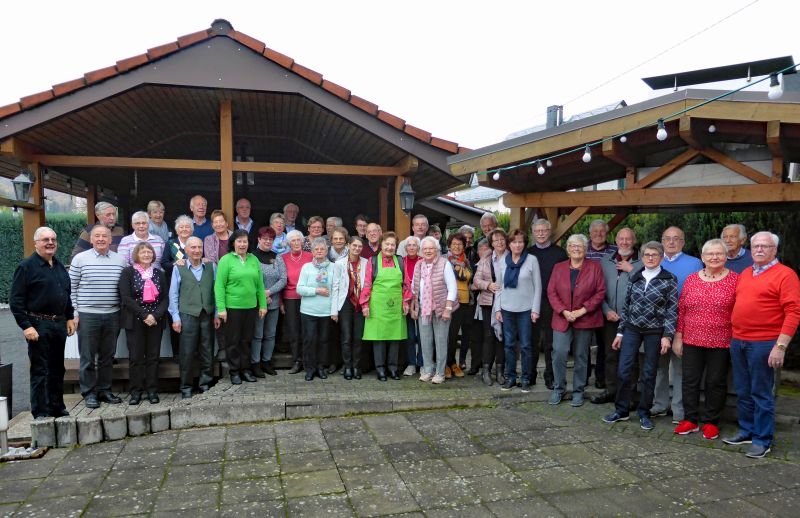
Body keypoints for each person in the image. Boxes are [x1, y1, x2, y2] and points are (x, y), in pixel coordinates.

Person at [723, 231, 800, 458]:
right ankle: (747, 430)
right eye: (756, 245)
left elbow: (794, 312)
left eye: (765, 246)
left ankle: (763, 439)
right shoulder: (746, 273)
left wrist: (781, 346)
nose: (759, 250)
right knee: (743, 390)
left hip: (764, 343)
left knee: (761, 393)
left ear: (774, 250)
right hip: (739, 341)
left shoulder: (786, 275)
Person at [603, 241, 678, 431]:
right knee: (624, 369)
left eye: (654, 255)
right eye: (647, 255)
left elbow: (672, 310)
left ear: (661, 257)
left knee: (649, 372)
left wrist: (667, 335)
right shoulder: (635, 277)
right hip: (632, 329)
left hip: (655, 331)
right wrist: (620, 332)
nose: (650, 258)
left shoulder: (669, 279)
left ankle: (645, 412)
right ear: (642, 257)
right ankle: (621, 410)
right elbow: (626, 307)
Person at [672, 239, 738, 440]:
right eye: (710, 254)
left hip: (722, 340)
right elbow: (682, 309)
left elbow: (740, 310)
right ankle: (690, 420)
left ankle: (711, 422)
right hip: (692, 339)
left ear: (726, 257)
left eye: (719, 253)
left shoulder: (736, 279)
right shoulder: (692, 279)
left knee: (715, 382)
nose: (714, 257)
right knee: (690, 380)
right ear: (702, 257)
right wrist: (678, 336)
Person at [10, 227, 76, 418]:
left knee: (57, 368)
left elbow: (66, 294)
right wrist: (26, 326)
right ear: (36, 243)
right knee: (40, 370)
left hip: (58, 324)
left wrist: (70, 316)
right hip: (37, 325)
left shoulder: (59, 266)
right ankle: (40, 411)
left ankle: (57, 407)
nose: (50, 242)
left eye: (53, 239)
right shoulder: (26, 267)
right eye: (45, 239)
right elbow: (16, 301)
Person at [69, 225, 127, 409]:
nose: (101, 239)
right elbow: (70, 288)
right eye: (97, 236)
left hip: (112, 314)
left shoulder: (121, 260)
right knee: (87, 358)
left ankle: (105, 390)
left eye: (105, 236)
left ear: (111, 240)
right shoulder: (80, 259)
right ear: (91, 239)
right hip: (88, 315)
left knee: (107, 357)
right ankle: (89, 393)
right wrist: (74, 313)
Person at [547, 234, 606, 406]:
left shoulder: (595, 268)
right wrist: (563, 311)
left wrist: (582, 310)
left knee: (581, 355)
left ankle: (578, 390)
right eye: (572, 245)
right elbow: (551, 292)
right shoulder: (558, 268)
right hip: (561, 317)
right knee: (558, 353)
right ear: (567, 249)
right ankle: (559, 388)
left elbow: (600, 292)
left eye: (579, 245)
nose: (576, 248)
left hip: (585, 318)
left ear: (585, 249)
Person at [654, 226, 702, 423]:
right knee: (659, 366)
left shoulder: (695, 263)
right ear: (662, 241)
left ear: (683, 242)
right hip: (656, 323)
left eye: (676, 239)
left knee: (681, 368)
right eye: (667, 238)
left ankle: (679, 410)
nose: (671, 242)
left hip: (684, 323)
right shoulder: (654, 261)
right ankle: (659, 405)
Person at [592, 227, 642, 405]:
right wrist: (606, 310)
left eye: (628, 239)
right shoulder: (606, 261)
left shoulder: (642, 262)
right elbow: (598, 290)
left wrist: (631, 270)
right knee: (610, 355)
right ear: (616, 240)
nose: (624, 242)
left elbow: (647, 286)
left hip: (632, 319)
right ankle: (612, 390)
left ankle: (629, 394)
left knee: (631, 357)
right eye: (621, 239)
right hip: (610, 317)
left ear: (634, 241)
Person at [215, 229, 267, 385]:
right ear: (233, 243)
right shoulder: (226, 260)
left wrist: (262, 305)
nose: (242, 244)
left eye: (245, 241)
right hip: (232, 308)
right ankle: (234, 372)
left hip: (251, 307)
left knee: (246, 341)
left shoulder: (253, 259)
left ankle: (246, 370)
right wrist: (221, 308)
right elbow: (219, 286)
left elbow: (260, 285)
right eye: (239, 241)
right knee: (233, 341)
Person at [168, 236, 219, 399]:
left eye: (199, 247)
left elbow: (216, 291)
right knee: (187, 352)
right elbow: (173, 294)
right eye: (193, 248)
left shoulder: (212, 266)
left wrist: (217, 313)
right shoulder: (179, 267)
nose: (197, 250)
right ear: (186, 250)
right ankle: (186, 387)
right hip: (187, 315)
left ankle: (206, 385)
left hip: (208, 314)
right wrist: (175, 317)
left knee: (207, 350)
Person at [119, 242, 168, 405]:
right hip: (135, 320)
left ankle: (152, 391)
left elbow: (165, 298)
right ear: (136, 255)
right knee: (136, 357)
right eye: (143, 252)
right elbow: (126, 298)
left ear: (153, 255)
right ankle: (136, 391)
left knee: (153, 357)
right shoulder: (128, 272)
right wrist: (144, 314)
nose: (146, 255)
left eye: (149, 252)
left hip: (155, 321)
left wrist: (155, 316)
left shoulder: (159, 273)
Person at [360, 231, 411, 381]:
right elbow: (367, 283)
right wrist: (365, 304)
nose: (389, 247)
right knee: (379, 338)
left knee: (395, 338)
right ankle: (380, 369)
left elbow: (406, 284)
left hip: (396, 305)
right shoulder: (373, 261)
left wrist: (406, 302)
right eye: (387, 244)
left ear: (396, 247)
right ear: (381, 244)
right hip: (377, 305)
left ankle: (393, 368)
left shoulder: (400, 261)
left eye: (392, 245)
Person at [496, 229, 541, 392]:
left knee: (526, 346)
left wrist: (535, 309)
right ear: (509, 244)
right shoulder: (503, 261)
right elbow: (498, 287)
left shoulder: (532, 260)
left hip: (526, 310)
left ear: (524, 243)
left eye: (520, 242)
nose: (517, 245)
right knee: (508, 345)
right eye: (514, 242)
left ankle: (526, 378)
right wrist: (497, 309)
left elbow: (538, 287)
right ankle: (511, 378)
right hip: (507, 309)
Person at [411, 236, 458, 384]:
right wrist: (413, 307)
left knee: (441, 341)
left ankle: (440, 372)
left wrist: (448, 309)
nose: (428, 251)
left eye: (431, 248)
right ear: (421, 251)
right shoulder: (419, 265)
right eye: (425, 249)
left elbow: (452, 288)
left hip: (441, 309)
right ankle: (427, 370)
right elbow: (414, 288)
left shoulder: (444, 264)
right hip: (424, 309)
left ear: (437, 250)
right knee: (425, 341)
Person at [527, 218, 567, 389]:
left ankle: (550, 375)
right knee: (532, 340)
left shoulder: (560, 253)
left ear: (549, 231)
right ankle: (530, 374)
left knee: (551, 342)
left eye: (544, 230)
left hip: (553, 303)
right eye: (537, 231)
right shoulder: (527, 253)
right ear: (533, 233)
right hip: (532, 302)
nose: (541, 233)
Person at [296, 237, 337, 381]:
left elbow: (336, 290)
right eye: (316, 249)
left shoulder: (333, 267)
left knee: (324, 341)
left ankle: (321, 367)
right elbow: (299, 289)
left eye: (322, 249)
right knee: (309, 340)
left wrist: (334, 310)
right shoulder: (306, 267)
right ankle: (310, 369)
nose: (319, 251)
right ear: (312, 251)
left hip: (326, 312)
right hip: (309, 311)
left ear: (327, 251)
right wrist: (316, 291)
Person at [472, 229, 507, 386]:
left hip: (506, 303)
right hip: (488, 302)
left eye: (501, 240)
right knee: (488, 336)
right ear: (491, 243)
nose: (499, 243)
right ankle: (486, 370)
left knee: (502, 337)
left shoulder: (512, 257)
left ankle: (500, 371)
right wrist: (489, 285)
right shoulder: (486, 258)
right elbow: (476, 281)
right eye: (495, 240)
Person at [251, 227, 287, 377]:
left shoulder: (277, 257)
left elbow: (283, 279)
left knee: (270, 334)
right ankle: (255, 363)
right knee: (257, 335)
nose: (267, 241)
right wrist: (262, 296)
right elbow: (250, 279)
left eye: (270, 239)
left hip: (273, 302)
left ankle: (266, 361)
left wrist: (269, 292)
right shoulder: (251, 257)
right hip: (257, 303)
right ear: (259, 239)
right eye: (264, 238)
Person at [332, 236, 368, 380]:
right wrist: (334, 310)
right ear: (349, 246)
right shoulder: (339, 263)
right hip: (345, 303)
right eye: (354, 246)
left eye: (359, 246)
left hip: (360, 302)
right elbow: (335, 287)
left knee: (358, 337)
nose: (357, 249)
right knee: (346, 337)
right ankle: (347, 366)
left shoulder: (366, 263)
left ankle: (356, 366)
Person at [282, 230, 313, 373]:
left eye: (298, 240)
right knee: (294, 332)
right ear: (288, 243)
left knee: (308, 331)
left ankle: (308, 361)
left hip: (308, 298)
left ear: (302, 242)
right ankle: (296, 361)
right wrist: (281, 302)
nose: (295, 243)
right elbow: (281, 280)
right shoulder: (282, 258)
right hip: (290, 298)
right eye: (292, 240)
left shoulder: (310, 257)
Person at [445, 232, 473, 378]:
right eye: (454, 244)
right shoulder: (445, 260)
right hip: (451, 302)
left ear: (464, 246)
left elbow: (468, 277)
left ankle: (455, 362)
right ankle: (448, 363)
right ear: (449, 245)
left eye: (460, 244)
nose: (456, 247)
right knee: (451, 335)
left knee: (461, 335)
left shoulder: (466, 261)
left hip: (465, 302)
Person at [401, 236, 423, 376]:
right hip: (405, 301)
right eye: (409, 245)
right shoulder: (401, 261)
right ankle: (411, 363)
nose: (411, 247)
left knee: (422, 335)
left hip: (422, 300)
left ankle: (422, 363)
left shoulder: (423, 262)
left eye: (414, 245)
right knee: (409, 334)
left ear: (418, 248)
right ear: (405, 248)